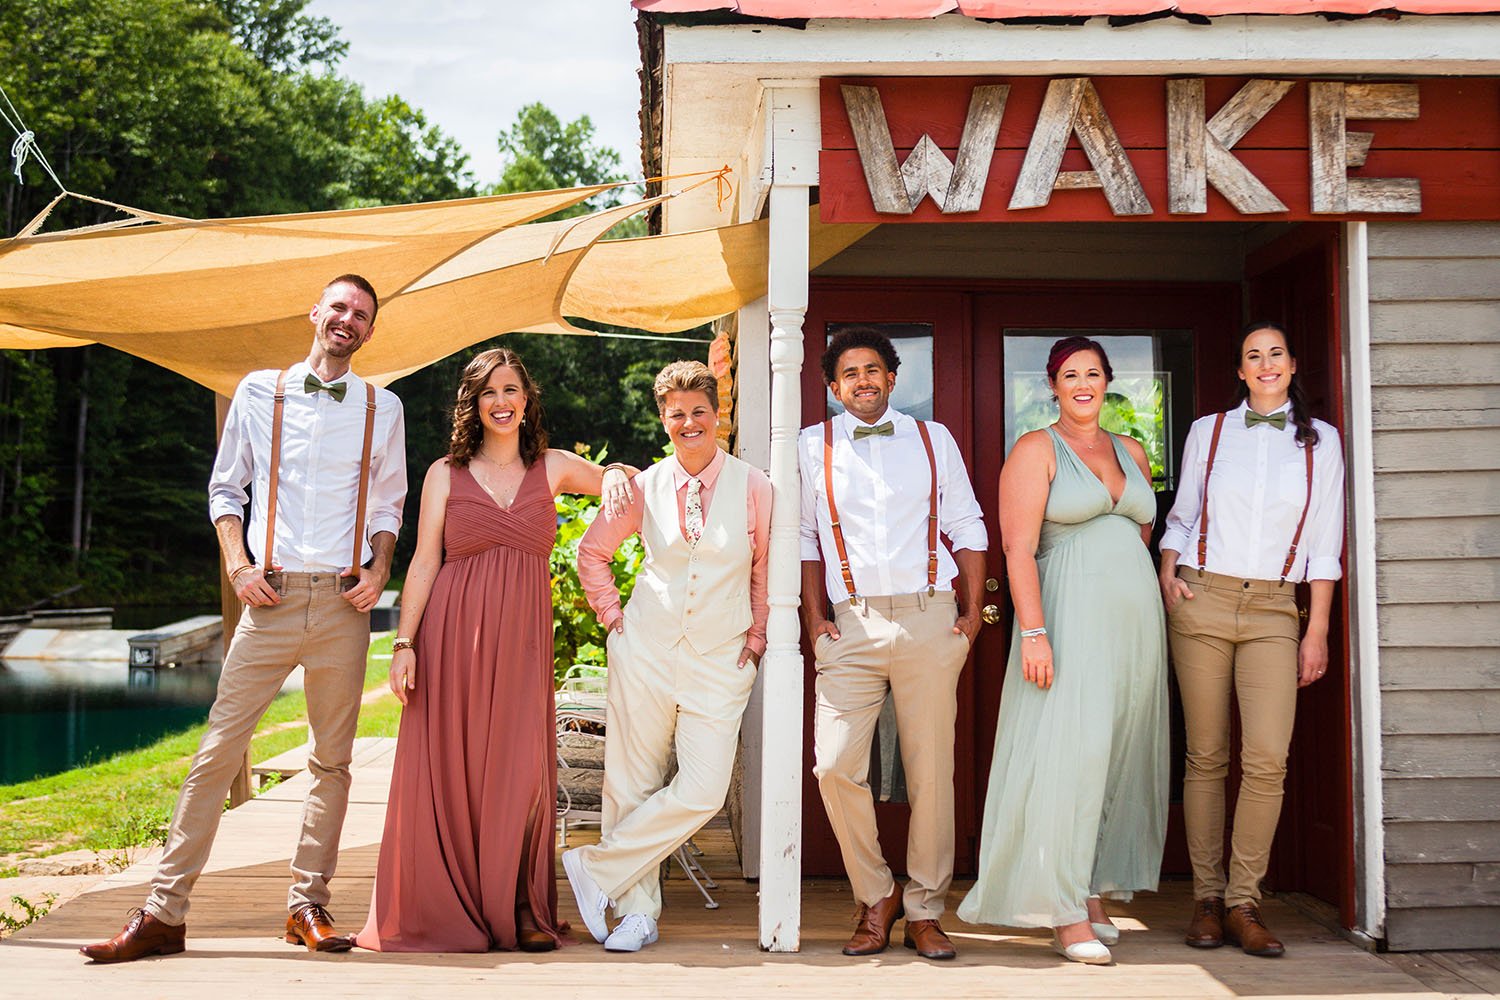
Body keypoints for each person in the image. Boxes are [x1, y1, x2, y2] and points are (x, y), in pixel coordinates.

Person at [81, 274, 407, 963]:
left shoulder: (386, 408)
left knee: (332, 763)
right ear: (315, 312)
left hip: (344, 604)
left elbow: (388, 505)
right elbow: (226, 487)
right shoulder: (260, 391)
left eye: (362, 315)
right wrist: (237, 564)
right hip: (272, 597)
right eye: (339, 307)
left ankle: (306, 906)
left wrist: (379, 571)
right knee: (216, 753)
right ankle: (165, 912)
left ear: (371, 332)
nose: (347, 320)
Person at [354, 347, 632, 953]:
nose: (501, 403)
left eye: (511, 390)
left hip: (523, 640)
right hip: (452, 633)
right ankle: (455, 902)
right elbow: (425, 560)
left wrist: (612, 474)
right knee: (457, 768)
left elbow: (633, 489)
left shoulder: (554, 467)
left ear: (527, 399)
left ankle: (521, 902)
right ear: (473, 405)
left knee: (520, 766)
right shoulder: (443, 474)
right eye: (488, 393)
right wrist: (405, 643)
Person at [958, 336, 1168, 966]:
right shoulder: (1034, 449)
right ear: (1053, 385)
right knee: (1069, 762)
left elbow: (1139, 534)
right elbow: (1018, 549)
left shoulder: (1131, 450)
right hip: (1067, 627)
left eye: (1094, 373)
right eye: (1070, 375)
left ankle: (1092, 893)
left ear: (1108, 382)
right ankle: (1062, 911)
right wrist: (1034, 632)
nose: (1083, 384)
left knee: (1116, 762)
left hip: (1134, 631)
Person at [561, 360, 770, 954]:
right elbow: (592, 553)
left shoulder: (755, 486)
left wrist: (754, 644)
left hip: (721, 655)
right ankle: (636, 913)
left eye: (698, 411)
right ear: (663, 420)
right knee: (632, 781)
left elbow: (762, 572)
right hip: (646, 648)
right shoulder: (644, 485)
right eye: (675, 414)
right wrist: (614, 621)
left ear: (717, 415)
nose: (688, 423)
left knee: (703, 788)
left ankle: (595, 868)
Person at [1158, 321, 1345, 958]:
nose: (1265, 365)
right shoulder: (1207, 432)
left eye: (1275, 355)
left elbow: (1325, 543)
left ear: (1292, 365)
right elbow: (1181, 513)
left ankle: (1245, 901)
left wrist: (1315, 629)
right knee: (1206, 756)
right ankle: (1206, 901)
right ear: (1240, 371)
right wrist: (1167, 571)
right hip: (1202, 598)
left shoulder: (1323, 443)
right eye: (1252, 357)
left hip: (1274, 609)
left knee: (1267, 758)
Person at [800, 327, 987, 961]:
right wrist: (812, 616)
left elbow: (966, 521)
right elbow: (803, 536)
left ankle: (926, 909)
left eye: (872, 369)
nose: (862, 380)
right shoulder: (810, 446)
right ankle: (875, 893)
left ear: (892, 376)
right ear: (832, 387)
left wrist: (971, 612)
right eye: (849, 373)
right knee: (833, 765)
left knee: (931, 772)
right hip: (848, 624)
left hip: (929, 616)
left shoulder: (933, 440)